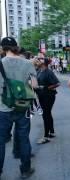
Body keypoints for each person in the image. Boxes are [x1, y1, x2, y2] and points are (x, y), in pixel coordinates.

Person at [0, 37, 37, 179]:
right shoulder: (28, 63)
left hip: (3, 108)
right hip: (22, 107)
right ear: (16, 47)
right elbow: (34, 85)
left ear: (3, 48)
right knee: (23, 138)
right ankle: (25, 170)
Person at [35, 57, 60, 144]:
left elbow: (57, 83)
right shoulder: (38, 71)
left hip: (48, 96)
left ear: (45, 62)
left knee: (45, 114)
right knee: (47, 113)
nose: (38, 60)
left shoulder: (48, 72)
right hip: (41, 96)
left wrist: (46, 87)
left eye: (40, 59)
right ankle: (52, 132)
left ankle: (46, 136)